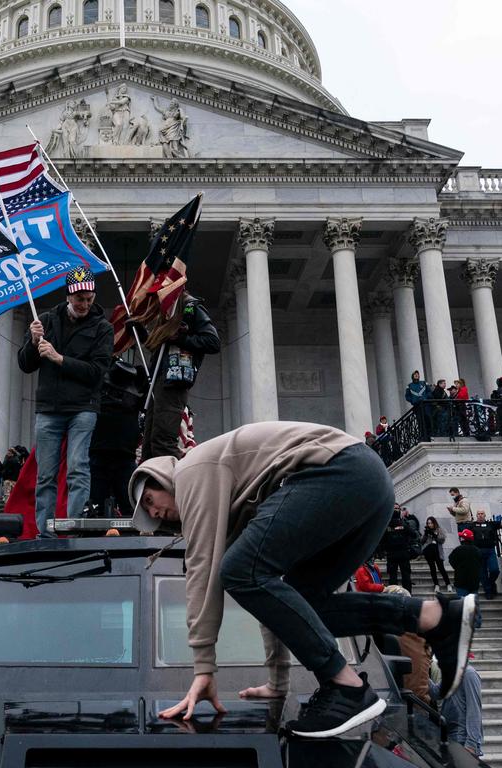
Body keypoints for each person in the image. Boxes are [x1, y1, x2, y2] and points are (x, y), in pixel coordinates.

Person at [129, 422, 476, 737]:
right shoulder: (231, 500)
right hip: (367, 484)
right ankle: (434, 617)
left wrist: (203, 667)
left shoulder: (192, 471)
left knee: (237, 571)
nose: (156, 513)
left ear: (162, 478)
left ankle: (347, 687)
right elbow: (274, 601)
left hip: (339, 472)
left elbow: (203, 571)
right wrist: (278, 683)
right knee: (301, 601)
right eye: (150, 516)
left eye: (150, 501)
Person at [18, 267, 113, 538]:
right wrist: (33, 341)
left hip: (83, 407)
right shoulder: (46, 321)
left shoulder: (102, 328)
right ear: (69, 296)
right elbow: (25, 364)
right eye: (79, 298)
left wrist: (60, 359)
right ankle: (45, 534)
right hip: (49, 408)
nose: (84, 304)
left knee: (77, 468)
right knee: (45, 475)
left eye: (89, 298)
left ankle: (73, 530)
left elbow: (97, 373)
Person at [140, 292, 220, 461]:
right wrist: (140, 332)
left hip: (175, 382)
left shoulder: (190, 307)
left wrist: (180, 337)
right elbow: (158, 346)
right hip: (159, 381)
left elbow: (212, 342)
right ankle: (151, 483)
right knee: (149, 445)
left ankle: (173, 483)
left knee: (163, 442)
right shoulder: (165, 310)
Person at [89, 359, 147, 516]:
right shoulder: (100, 388)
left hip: (122, 456)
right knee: (96, 506)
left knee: (129, 507)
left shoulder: (137, 392)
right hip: (101, 453)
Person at [429, 664, 483, 757]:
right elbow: (436, 692)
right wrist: (421, 666)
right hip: (450, 736)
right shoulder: (453, 673)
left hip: (462, 739)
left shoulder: (469, 674)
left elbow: (474, 710)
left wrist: (471, 745)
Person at [381, 507, 414, 594]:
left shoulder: (386, 526)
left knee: (393, 576)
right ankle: (408, 594)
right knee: (406, 575)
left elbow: (382, 540)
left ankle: (394, 596)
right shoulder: (403, 524)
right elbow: (413, 534)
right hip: (403, 553)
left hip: (391, 555)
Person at [471, 510, 501, 599]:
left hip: (490, 550)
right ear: (476, 516)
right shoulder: (472, 525)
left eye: (482, 514)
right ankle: (488, 591)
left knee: (495, 570)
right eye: (478, 514)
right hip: (478, 551)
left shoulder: (491, 524)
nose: (480, 515)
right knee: (482, 574)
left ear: (485, 515)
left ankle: (491, 583)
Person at [449, 529, 482, 600]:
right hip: (474, 583)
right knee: (473, 606)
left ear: (463, 539)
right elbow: (480, 563)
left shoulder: (458, 550)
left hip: (461, 582)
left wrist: (458, 568)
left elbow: (451, 560)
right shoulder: (477, 550)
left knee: (462, 606)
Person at [421, 517, 451, 591]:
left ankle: (448, 584)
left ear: (434, 523)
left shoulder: (439, 529)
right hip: (429, 552)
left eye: (431, 523)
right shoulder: (427, 531)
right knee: (432, 569)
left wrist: (435, 535)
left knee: (441, 568)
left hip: (437, 551)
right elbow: (422, 541)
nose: (430, 525)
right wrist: (426, 534)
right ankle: (436, 584)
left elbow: (442, 539)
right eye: (428, 523)